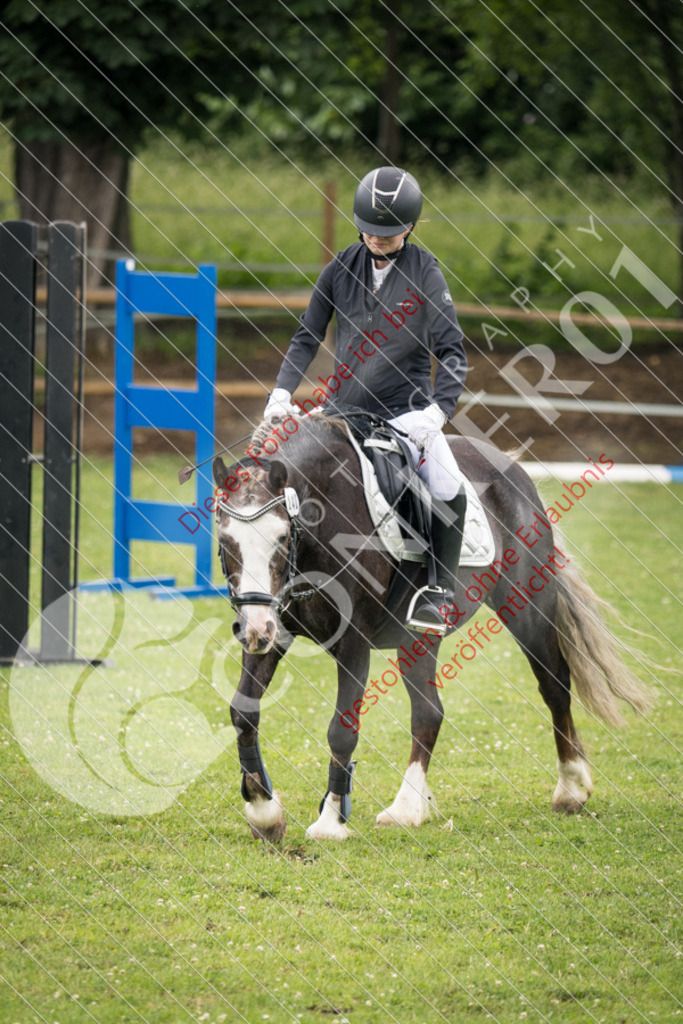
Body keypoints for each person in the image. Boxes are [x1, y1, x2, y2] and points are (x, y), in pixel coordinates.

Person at [263, 166, 468, 630]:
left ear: (410, 227)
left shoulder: (425, 273)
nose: (377, 238)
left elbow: (452, 350)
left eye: (389, 232)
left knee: (448, 486)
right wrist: (280, 392)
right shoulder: (340, 267)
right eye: (371, 229)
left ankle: (439, 590)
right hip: (342, 412)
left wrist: (436, 412)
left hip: (406, 414)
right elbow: (306, 336)